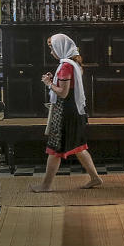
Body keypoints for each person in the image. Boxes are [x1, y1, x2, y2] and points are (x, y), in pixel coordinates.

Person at [29, 33, 102, 192]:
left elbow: (63, 93)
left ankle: (46, 185)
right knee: (79, 147)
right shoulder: (72, 64)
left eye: (52, 48)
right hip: (73, 112)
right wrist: (53, 80)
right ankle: (95, 178)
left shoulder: (65, 66)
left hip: (65, 113)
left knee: (54, 149)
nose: (51, 52)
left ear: (60, 48)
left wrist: (49, 83)